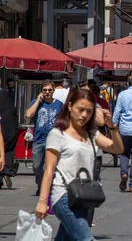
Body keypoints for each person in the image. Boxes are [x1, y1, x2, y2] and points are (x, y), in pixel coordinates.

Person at [34, 89, 123, 241]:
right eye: (80, 109)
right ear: (70, 106)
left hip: (84, 197)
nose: (84, 115)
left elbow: (117, 148)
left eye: (89, 111)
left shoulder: (92, 134)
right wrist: (42, 201)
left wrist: (112, 126)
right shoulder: (58, 134)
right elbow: (49, 170)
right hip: (63, 196)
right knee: (85, 238)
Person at [25, 79, 63, 196]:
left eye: (49, 90)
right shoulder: (36, 102)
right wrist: (38, 101)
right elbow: (28, 115)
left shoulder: (59, 104)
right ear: (41, 91)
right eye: (45, 90)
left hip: (53, 140)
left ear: (53, 90)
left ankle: (47, 187)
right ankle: (40, 184)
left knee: (51, 166)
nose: (47, 92)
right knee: (37, 167)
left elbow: (64, 120)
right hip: (39, 140)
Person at [0, 89, 17, 188]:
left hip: (2, 127)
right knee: (8, 151)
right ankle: (6, 172)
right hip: (10, 128)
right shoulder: (7, 96)